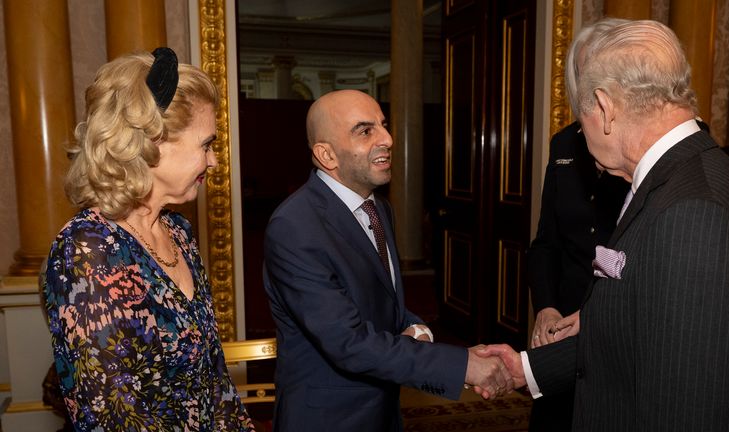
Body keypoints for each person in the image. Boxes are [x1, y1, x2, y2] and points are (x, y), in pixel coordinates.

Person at [481, 19, 729, 430]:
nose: (580, 132)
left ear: (604, 107)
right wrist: (524, 370)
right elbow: (640, 331)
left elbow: (691, 410)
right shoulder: (673, 178)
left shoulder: (694, 214)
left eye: (582, 116)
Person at [262, 89, 512, 432]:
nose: (388, 139)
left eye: (383, 125)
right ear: (326, 154)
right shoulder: (295, 226)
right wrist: (461, 365)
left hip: (383, 410)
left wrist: (419, 328)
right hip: (329, 418)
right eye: (365, 131)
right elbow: (347, 342)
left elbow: (384, 301)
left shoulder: (378, 208)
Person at [42, 48, 255, 431]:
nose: (214, 162)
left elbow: (215, 381)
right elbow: (112, 416)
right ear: (152, 143)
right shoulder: (88, 249)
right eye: (206, 145)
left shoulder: (177, 231)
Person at [526, 19, 630, 432]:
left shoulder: (652, 149)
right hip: (563, 319)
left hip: (622, 323)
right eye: (586, 76)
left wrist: (598, 316)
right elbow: (545, 242)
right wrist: (545, 306)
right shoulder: (564, 143)